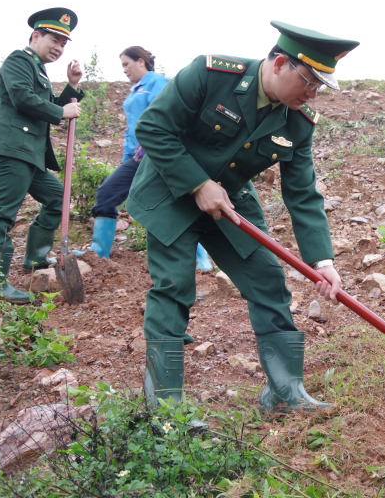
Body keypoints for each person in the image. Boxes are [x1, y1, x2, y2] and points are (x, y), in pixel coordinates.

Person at [126, 21, 358, 413]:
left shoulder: (297, 122)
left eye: (320, 86)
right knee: (174, 287)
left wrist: (323, 261)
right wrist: (198, 184)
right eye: (309, 81)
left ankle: (285, 393)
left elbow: (301, 192)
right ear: (280, 63)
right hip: (169, 191)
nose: (313, 93)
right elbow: (153, 128)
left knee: (267, 278)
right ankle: (163, 410)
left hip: (229, 200)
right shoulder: (209, 74)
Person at [0, 8, 84, 303]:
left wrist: (72, 86)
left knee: (58, 200)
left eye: (64, 44)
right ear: (36, 35)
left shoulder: (38, 69)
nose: (59, 49)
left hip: (31, 155)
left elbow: (46, 105)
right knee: (1, 215)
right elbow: (23, 98)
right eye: (54, 40)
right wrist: (61, 111)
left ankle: (35, 259)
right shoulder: (18, 60)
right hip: (13, 149)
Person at [88, 47, 211, 268]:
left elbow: (170, 115)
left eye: (126, 64)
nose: (124, 70)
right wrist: (126, 159)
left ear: (141, 61)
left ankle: (201, 262)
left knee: (177, 206)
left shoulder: (157, 84)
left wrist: (152, 143)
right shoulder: (135, 91)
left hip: (157, 156)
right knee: (108, 194)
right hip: (137, 160)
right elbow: (130, 131)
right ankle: (98, 255)